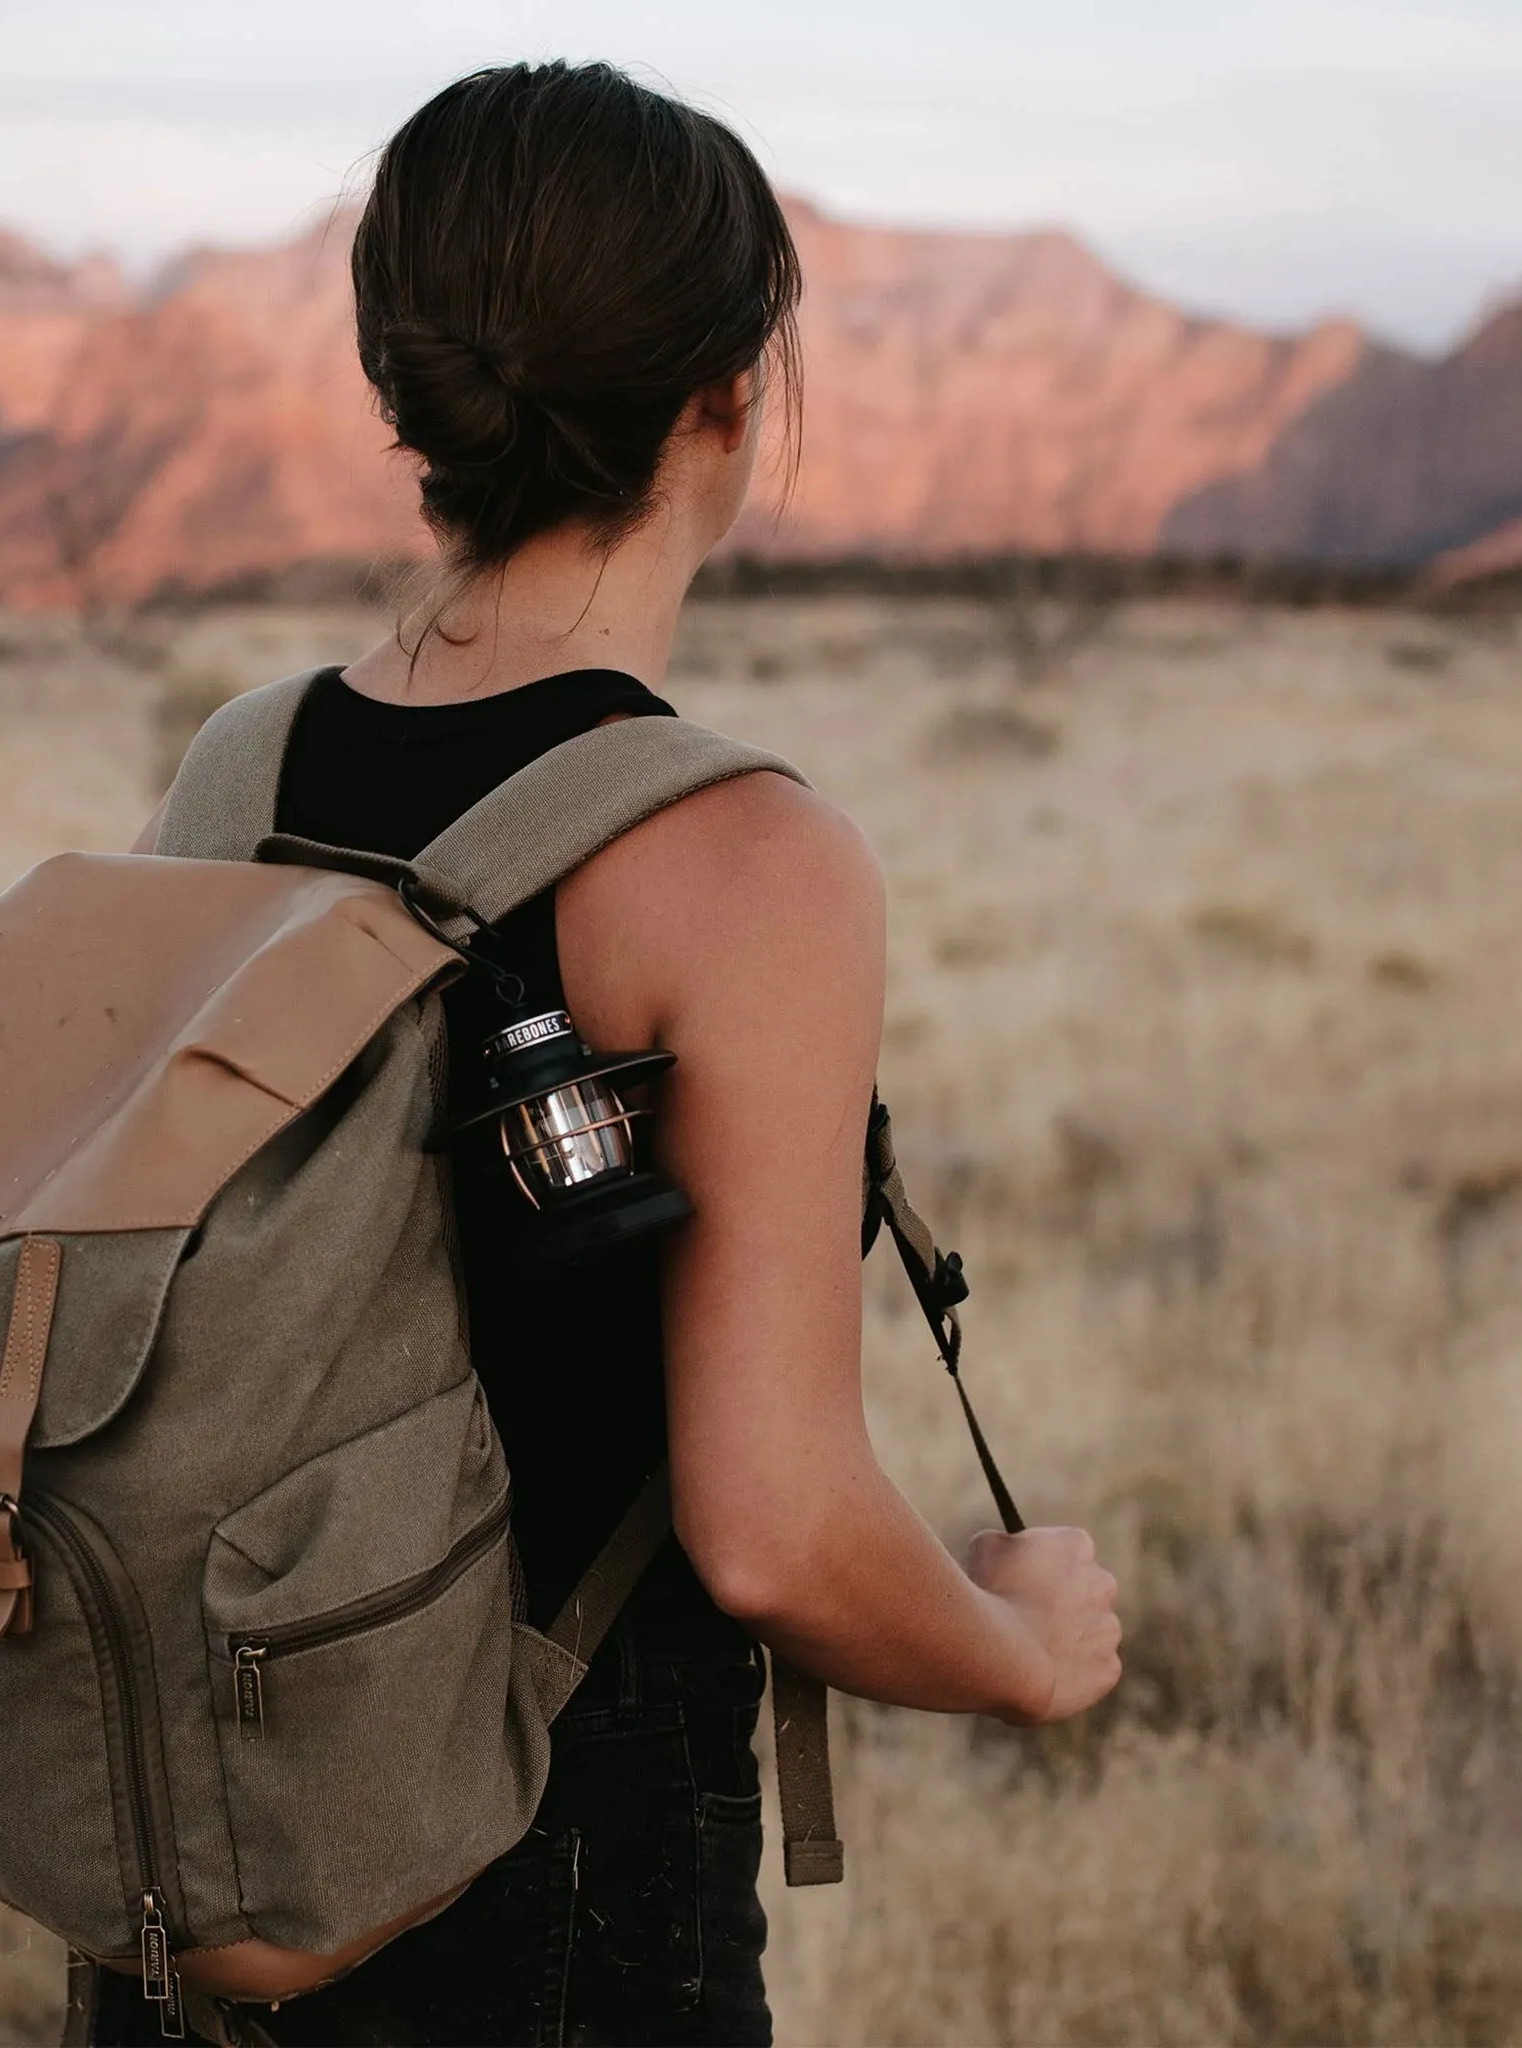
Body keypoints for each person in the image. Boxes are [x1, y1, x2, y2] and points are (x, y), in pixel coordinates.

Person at [96, 59, 1121, 2047]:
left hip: (204, 1826)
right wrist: (1012, 1646)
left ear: (410, 384)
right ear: (725, 397)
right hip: (544, 1867)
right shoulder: (742, 857)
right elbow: (767, 1517)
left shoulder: (239, 762)